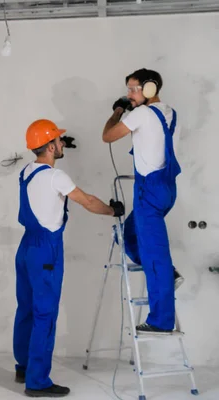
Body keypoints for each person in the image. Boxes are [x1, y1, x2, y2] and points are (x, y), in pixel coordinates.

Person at [14, 119, 124, 398]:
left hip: (26, 247)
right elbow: (87, 201)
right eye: (59, 141)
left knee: (26, 309)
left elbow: (44, 169)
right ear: (50, 146)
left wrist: (55, 147)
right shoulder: (56, 177)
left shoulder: (27, 171)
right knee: (44, 315)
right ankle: (37, 382)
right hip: (46, 252)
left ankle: (24, 367)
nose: (63, 144)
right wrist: (112, 211)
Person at [102, 68, 183, 335]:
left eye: (133, 89)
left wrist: (118, 110)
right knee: (129, 236)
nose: (129, 94)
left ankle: (160, 321)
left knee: (154, 255)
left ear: (150, 88)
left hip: (149, 191)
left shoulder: (142, 113)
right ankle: (169, 275)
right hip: (166, 188)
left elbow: (108, 135)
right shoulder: (170, 112)